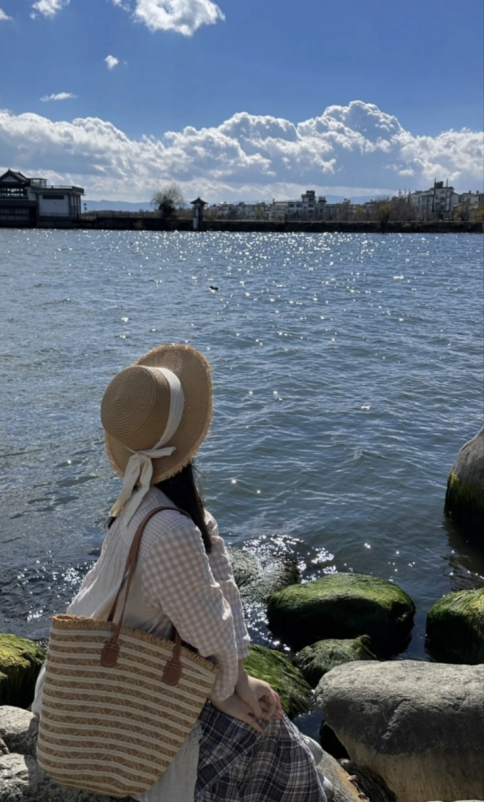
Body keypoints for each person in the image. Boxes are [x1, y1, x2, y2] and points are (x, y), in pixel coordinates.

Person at [33, 343, 329, 802]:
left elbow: (220, 586)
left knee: (264, 719)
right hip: (122, 708)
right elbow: (211, 631)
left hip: (91, 678)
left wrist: (240, 679)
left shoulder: (143, 500)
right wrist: (227, 689)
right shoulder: (170, 530)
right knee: (271, 733)